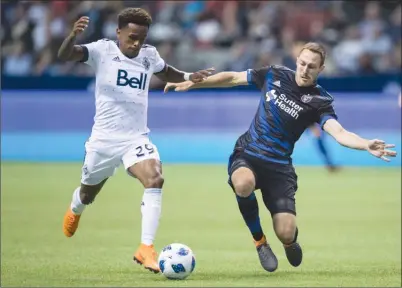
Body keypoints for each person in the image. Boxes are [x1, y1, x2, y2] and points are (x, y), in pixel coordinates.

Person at [164, 42, 397, 272]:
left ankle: (289, 241)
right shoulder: (273, 74)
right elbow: (232, 77)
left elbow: (339, 132)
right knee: (243, 183)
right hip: (248, 153)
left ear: (321, 69)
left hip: (279, 168)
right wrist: (193, 83)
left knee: (285, 231)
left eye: (312, 67)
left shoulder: (320, 101)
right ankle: (259, 242)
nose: (305, 70)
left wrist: (365, 144)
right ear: (297, 61)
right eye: (302, 63)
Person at [57, 8, 213, 273]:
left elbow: (166, 71)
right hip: (104, 141)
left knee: (155, 178)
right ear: (118, 32)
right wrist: (71, 36)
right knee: (88, 193)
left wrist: (188, 77)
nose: (136, 43)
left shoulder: (148, 55)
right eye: (131, 37)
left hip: (135, 138)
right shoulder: (102, 51)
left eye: (141, 37)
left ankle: (146, 248)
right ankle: (76, 207)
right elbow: (64, 55)